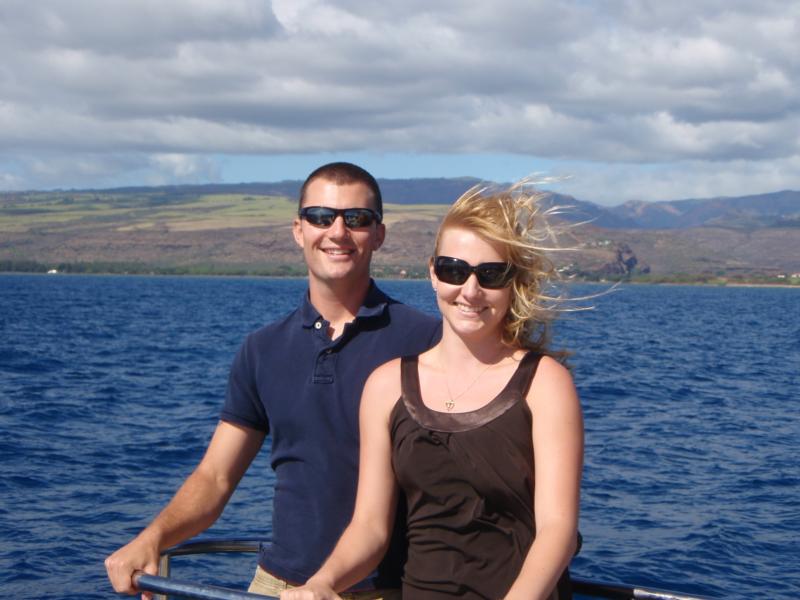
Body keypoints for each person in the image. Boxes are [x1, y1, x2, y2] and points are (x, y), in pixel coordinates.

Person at [104, 162, 441, 599]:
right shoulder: (262, 350)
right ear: (298, 230)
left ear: (379, 234)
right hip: (277, 585)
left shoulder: (426, 341)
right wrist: (153, 537)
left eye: (356, 219)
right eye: (321, 217)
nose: (337, 231)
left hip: (388, 587)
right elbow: (215, 478)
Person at [282, 185, 584, 600]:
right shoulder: (387, 386)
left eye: (491, 274)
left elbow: (558, 529)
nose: (471, 291)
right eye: (454, 270)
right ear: (432, 273)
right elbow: (370, 527)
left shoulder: (545, 384)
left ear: (515, 284)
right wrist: (322, 582)